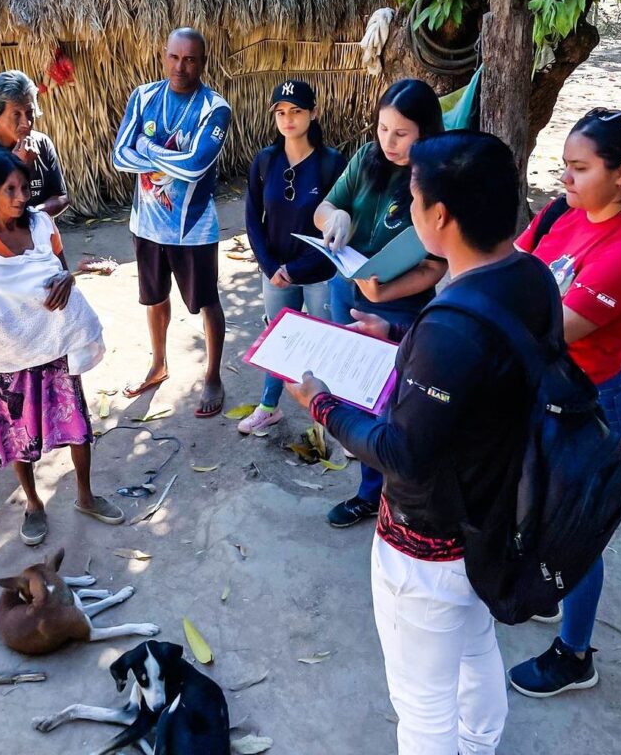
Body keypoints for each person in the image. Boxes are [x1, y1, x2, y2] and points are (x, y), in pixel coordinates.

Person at [287, 131, 562, 755]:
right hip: (497, 510)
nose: (411, 212)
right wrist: (395, 334)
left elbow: (404, 452)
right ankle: (480, 744)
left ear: (439, 215)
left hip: (430, 541)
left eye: (414, 200)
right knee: (473, 645)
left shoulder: (449, 326)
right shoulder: (531, 277)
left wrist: (322, 404)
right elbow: (489, 374)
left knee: (421, 701)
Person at [508, 108, 621, 698]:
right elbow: (514, 264)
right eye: (564, 166)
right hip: (544, 393)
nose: (562, 179)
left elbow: (553, 328)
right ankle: (549, 593)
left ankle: (575, 654)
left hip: (587, 408)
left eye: (578, 169)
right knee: (538, 514)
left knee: (575, 536)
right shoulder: (561, 212)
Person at [0, 151, 121, 546]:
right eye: (9, 189)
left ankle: (85, 495)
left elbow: (59, 271)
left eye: (24, 188)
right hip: (7, 356)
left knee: (78, 426)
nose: (19, 196)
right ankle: (33, 504)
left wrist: (68, 280)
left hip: (54, 343)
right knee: (20, 432)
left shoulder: (43, 225)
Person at [313, 79, 447, 526]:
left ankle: (391, 498)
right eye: (382, 128)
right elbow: (326, 206)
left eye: (401, 133)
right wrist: (337, 216)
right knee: (353, 391)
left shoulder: (437, 180)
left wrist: (383, 292)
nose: (388, 142)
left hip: (396, 306)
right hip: (344, 290)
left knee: (393, 405)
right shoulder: (367, 158)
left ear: (426, 133)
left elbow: (434, 266)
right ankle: (371, 489)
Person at [112, 27, 231, 417]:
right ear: (164, 56)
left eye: (191, 59)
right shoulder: (144, 96)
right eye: (175, 57)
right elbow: (119, 157)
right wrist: (158, 156)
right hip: (146, 224)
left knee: (206, 301)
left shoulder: (215, 109)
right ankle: (159, 363)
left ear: (203, 62)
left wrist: (144, 148)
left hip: (192, 227)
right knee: (154, 298)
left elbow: (196, 167)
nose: (181, 67)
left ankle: (213, 374)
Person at [241, 80, 345, 434]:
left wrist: (296, 268)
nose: (288, 119)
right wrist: (270, 267)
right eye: (281, 112)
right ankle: (269, 407)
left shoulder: (331, 164)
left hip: (318, 271)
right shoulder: (265, 162)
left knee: (328, 342)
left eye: (297, 111)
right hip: (276, 273)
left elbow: (336, 229)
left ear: (312, 113)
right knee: (278, 339)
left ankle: (338, 420)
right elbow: (253, 218)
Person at [0, 70, 69, 218]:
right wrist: (20, 168)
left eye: (29, 112)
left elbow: (60, 197)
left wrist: (33, 216)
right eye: (16, 115)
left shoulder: (42, 143)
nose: (26, 123)